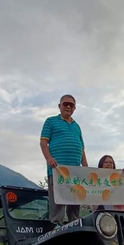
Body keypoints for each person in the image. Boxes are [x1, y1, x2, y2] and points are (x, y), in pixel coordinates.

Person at [40, 94, 88, 224]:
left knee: (75, 202)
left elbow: (82, 149)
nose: (68, 106)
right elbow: (43, 142)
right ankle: (55, 227)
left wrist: (86, 169)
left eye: (71, 105)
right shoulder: (50, 121)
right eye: (65, 103)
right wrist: (48, 158)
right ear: (59, 106)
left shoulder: (77, 126)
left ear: (74, 108)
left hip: (75, 173)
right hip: (57, 170)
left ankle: (75, 226)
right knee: (58, 202)